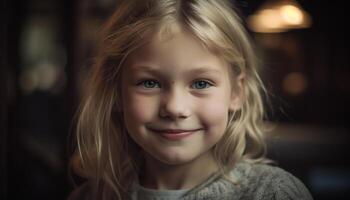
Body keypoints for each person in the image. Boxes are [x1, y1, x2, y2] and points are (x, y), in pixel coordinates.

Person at [68, 0, 313, 199]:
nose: (175, 108)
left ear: (236, 93)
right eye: (150, 83)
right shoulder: (89, 196)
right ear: (117, 93)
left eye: (201, 84)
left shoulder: (272, 194)